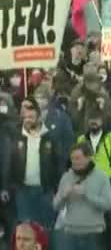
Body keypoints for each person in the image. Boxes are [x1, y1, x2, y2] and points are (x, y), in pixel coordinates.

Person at [13, 99, 63, 231]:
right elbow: (10, 162)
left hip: (45, 190)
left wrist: (57, 186)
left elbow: (58, 163)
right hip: (23, 191)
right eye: (26, 117)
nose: (28, 120)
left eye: (31, 117)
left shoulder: (50, 138)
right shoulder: (17, 138)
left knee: (45, 227)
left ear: (39, 118)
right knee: (25, 227)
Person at [53, 142, 111, 250]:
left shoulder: (102, 177)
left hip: (94, 233)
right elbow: (55, 206)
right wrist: (63, 195)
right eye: (72, 158)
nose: (74, 162)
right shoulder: (66, 177)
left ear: (88, 158)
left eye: (78, 158)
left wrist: (86, 194)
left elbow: (108, 205)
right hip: (70, 232)